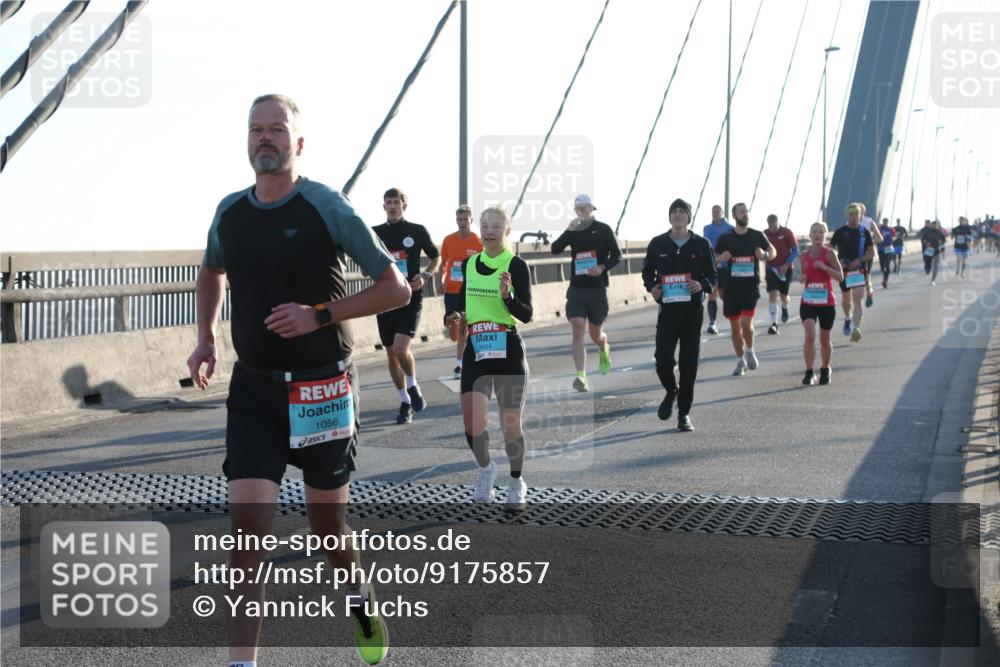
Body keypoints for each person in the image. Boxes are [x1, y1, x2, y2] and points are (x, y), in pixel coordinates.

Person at [187, 94, 408, 666]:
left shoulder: (326, 207)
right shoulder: (230, 212)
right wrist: (206, 336)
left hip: (321, 388)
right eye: (256, 130)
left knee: (328, 533)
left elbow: (396, 289)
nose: (265, 138)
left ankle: (359, 599)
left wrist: (320, 314)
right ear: (247, 140)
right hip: (255, 389)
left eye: (277, 130)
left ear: (298, 143)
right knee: (246, 539)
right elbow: (210, 270)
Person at [445, 205, 533, 509]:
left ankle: (516, 480)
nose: (488, 231)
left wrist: (508, 298)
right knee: (472, 423)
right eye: (484, 225)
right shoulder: (470, 264)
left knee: (511, 424)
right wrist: (453, 315)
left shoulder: (515, 266)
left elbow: (527, 314)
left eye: (496, 226)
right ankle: (486, 470)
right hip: (477, 349)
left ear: (507, 231)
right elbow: (460, 302)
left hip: (507, 348)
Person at [642, 198, 717, 432]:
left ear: (688, 216)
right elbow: (647, 274)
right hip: (668, 312)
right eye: (673, 211)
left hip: (692, 312)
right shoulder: (658, 244)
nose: (677, 214)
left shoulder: (702, 244)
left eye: (681, 211)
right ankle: (671, 390)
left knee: (688, 365)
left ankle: (684, 414)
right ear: (669, 216)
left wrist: (701, 284)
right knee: (662, 359)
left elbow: (713, 277)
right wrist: (652, 287)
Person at [372, 188, 441, 424]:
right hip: (385, 298)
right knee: (391, 355)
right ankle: (404, 402)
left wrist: (426, 276)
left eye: (396, 203)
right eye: (388, 203)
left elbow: (436, 257)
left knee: (401, 349)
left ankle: (412, 385)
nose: (392, 207)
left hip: (410, 296)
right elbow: (365, 263)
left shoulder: (417, 231)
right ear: (383, 207)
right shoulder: (375, 233)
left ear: (404, 205)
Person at [551, 194, 623, 392]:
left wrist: (601, 267)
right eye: (578, 208)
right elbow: (555, 249)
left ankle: (603, 347)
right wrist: (568, 230)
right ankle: (581, 376)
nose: (581, 211)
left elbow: (618, 256)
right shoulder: (573, 230)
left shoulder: (603, 229)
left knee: (595, 334)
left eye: (584, 208)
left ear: (592, 209)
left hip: (597, 289)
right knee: (577, 326)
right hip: (577, 289)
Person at [714, 202, 776, 375]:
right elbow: (713, 259)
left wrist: (764, 255)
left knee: (746, 324)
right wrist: (721, 258)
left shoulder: (757, 235)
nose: (745, 214)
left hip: (750, 286)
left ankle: (749, 350)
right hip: (731, 287)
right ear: (734, 216)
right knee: (735, 328)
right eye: (741, 212)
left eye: (746, 211)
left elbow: (772, 250)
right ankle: (740, 361)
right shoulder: (726, 238)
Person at [439, 204, 483, 379]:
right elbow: (443, 264)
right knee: (454, 332)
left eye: (466, 219)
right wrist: (441, 281)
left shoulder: (478, 241)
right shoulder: (448, 240)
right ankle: (462, 352)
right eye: (459, 219)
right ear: (456, 220)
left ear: (471, 220)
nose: (462, 222)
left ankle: (460, 363)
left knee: (464, 324)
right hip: (451, 290)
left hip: (470, 291)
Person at [799, 222, 844, 386]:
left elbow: (840, 277)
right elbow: (803, 276)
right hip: (808, 301)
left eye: (820, 232)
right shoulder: (803, 255)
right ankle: (809, 371)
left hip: (826, 303)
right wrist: (802, 279)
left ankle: (825, 369)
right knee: (810, 336)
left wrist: (825, 267)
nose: (817, 235)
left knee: (824, 340)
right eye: (814, 232)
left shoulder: (830, 254)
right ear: (810, 236)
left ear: (825, 235)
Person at [830, 203, 874, 342]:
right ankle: (848, 318)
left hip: (859, 270)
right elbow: (830, 251)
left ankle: (856, 328)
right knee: (846, 301)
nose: (853, 216)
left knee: (858, 297)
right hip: (844, 270)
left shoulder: (864, 232)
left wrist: (860, 260)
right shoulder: (840, 232)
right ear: (846, 215)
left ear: (861, 216)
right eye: (851, 213)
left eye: (856, 213)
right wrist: (838, 260)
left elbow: (872, 253)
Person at [763, 213, 799, 335]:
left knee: (784, 295)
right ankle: (774, 323)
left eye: (775, 226)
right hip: (771, 268)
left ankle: (785, 307)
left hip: (785, 268)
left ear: (778, 223)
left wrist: (786, 264)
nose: (772, 229)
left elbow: (795, 250)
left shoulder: (787, 232)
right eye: (770, 226)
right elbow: (760, 249)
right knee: (772, 294)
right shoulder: (765, 234)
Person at [702, 204, 733, 334]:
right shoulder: (707, 228)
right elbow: (705, 244)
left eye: (717, 211)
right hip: (712, 265)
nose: (715, 214)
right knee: (712, 293)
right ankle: (712, 323)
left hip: (726, 265)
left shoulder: (730, 228)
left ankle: (733, 319)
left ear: (722, 213)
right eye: (713, 211)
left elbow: (732, 245)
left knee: (724, 294)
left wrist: (721, 257)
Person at [858, 203, 882, 308]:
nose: (856, 213)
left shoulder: (869, 222)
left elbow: (880, 238)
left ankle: (869, 292)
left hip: (867, 254)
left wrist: (870, 243)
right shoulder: (849, 223)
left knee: (866, 277)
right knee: (853, 277)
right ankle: (856, 298)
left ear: (864, 212)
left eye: (859, 210)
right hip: (853, 255)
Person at [922, 220, 948, 285]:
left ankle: (933, 280)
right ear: (931, 225)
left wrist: (943, 252)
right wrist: (926, 243)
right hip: (928, 250)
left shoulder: (940, 233)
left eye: (935, 225)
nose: (934, 226)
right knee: (927, 263)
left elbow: (943, 242)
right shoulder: (927, 232)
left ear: (937, 226)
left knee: (936, 266)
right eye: (933, 225)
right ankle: (927, 268)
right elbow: (923, 240)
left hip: (937, 251)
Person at [877, 217, 895, 289]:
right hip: (881, 249)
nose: (885, 223)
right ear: (883, 222)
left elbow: (894, 237)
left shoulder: (891, 229)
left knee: (887, 265)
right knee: (882, 266)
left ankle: (885, 280)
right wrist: (880, 237)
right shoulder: (879, 229)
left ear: (888, 222)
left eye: (886, 222)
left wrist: (892, 239)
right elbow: (874, 237)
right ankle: (884, 275)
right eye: (884, 222)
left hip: (888, 248)